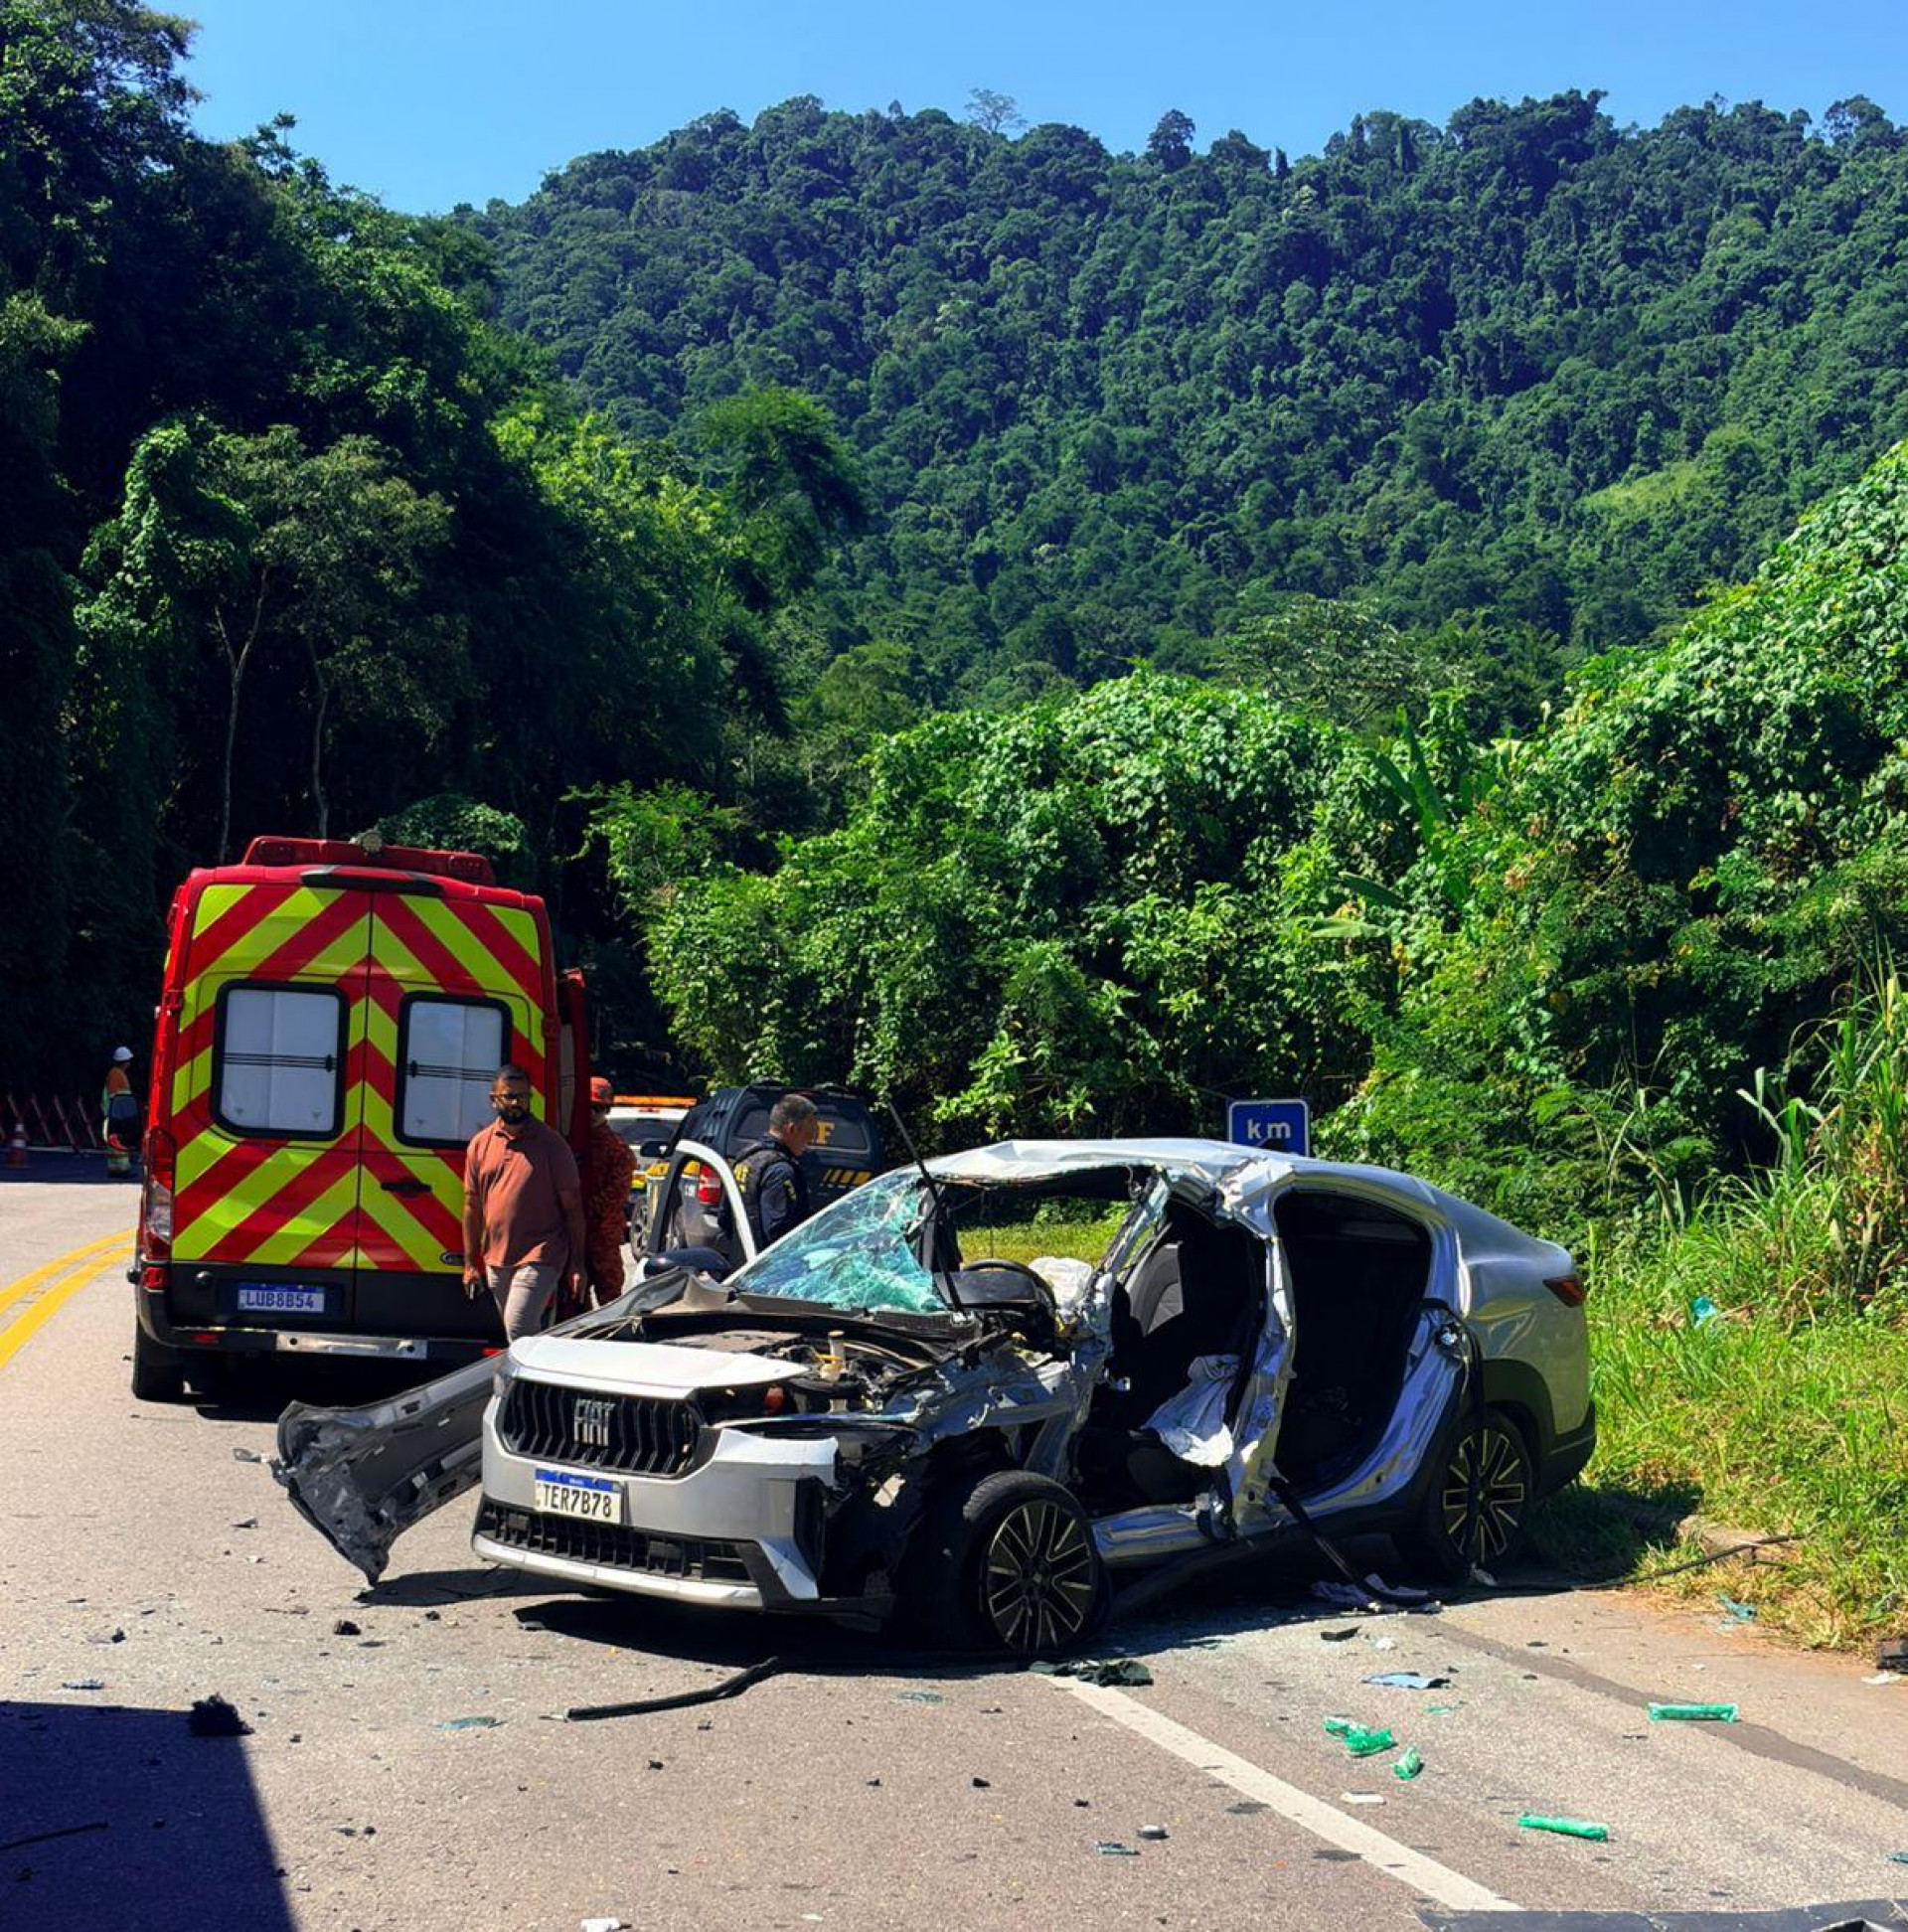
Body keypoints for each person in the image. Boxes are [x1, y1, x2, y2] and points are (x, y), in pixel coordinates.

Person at [461, 1064, 586, 1343]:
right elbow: (471, 1206)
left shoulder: (551, 1144)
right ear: (494, 1099)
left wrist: (577, 1264)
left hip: (541, 1253)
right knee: (518, 1335)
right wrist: (470, 1264)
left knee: (518, 1328)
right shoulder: (480, 1145)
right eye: (510, 1096)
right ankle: (543, 1379)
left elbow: (573, 1207)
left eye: (524, 1096)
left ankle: (516, 1386)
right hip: (496, 1257)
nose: (517, 1103)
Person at [732, 1091, 820, 1251]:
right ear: (792, 1129)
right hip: (767, 1268)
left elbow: (724, 1218)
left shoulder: (745, 1158)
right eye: (810, 1132)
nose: (812, 1139)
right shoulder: (780, 1172)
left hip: (740, 1260)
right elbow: (779, 1234)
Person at [581, 1075, 635, 1306]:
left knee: (609, 1297)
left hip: (602, 1234)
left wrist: (582, 1210)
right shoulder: (567, 1143)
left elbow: (616, 1194)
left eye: (598, 1108)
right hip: (572, 1234)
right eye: (588, 1108)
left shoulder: (618, 1151)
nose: (592, 1114)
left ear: (607, 1110)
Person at [102, 1046, 139, 1180]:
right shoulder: (116, 1074)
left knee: (116, 1143)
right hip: (117, 1113)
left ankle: (117, 1169)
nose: (130, 1062)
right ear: (124, 1061)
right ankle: (121, 1169)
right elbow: (117, 1096)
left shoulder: (117, 1073)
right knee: (118, 1143)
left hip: (117, 1112)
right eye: (128, 1060)